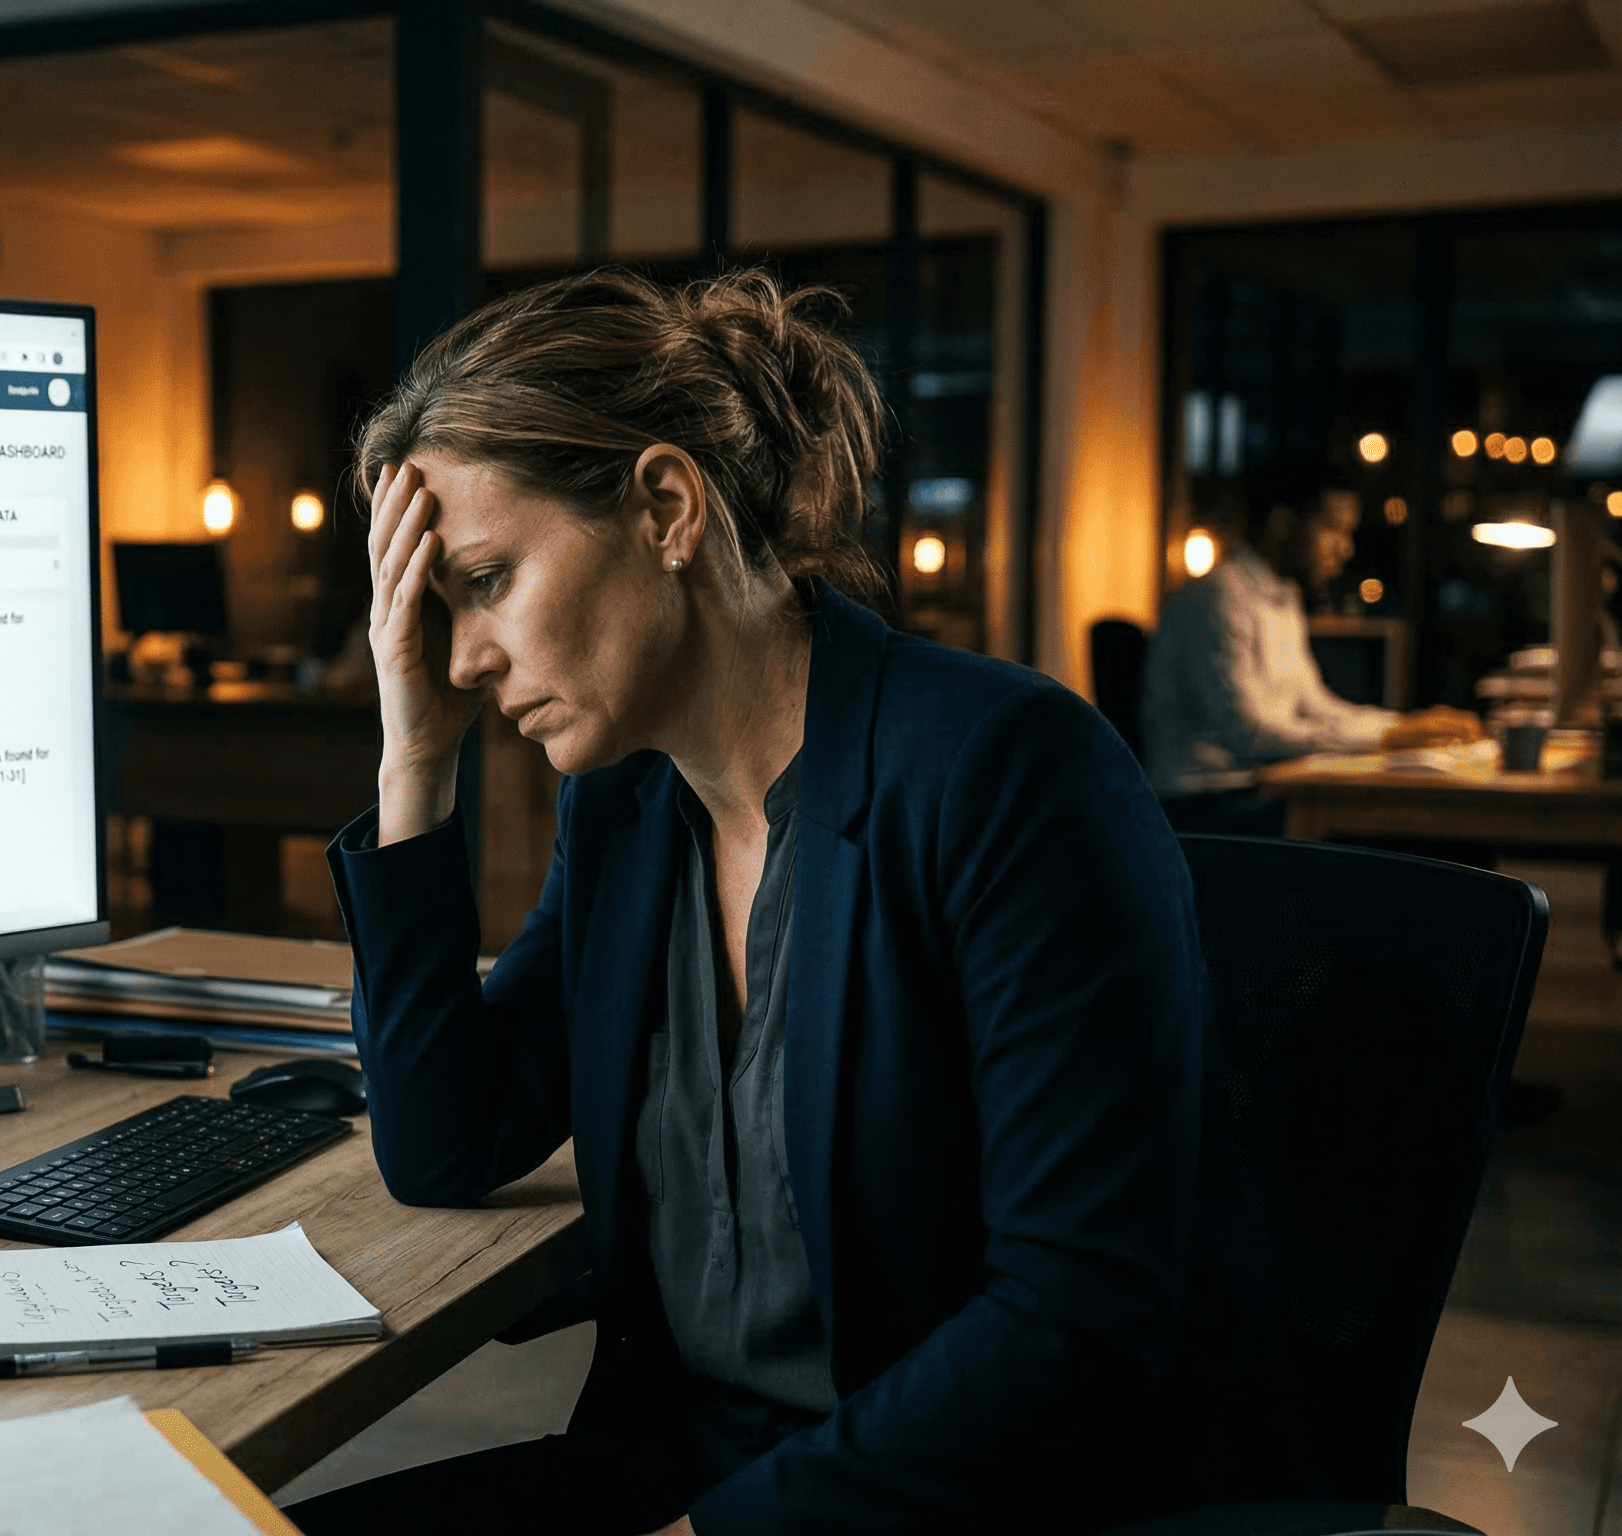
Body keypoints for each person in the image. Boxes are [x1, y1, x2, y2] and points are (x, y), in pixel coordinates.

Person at [283, 270, 1230, 1535]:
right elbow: (447, 1139)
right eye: (441, 608)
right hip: (666, 1469)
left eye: (489, 579)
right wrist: (414, 761)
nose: (463, 658)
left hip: (916, 1509)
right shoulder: (623, 813)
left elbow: (1072, 1318)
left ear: (665, 507)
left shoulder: (1008, 772)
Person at [1141, 488, 1478, 834]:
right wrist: (1387, 738)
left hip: (1264, 788)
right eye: (1333, 529)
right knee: (1391, 827)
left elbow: (1316, 704)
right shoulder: (1217, 597)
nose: (1345, 548)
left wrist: (1402, 726)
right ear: (1282, 523)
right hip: (1206, 805)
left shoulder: (1284, 598)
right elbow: (1248, 733)